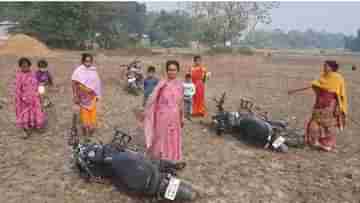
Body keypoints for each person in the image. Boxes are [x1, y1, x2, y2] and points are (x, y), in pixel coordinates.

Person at [289, 60, 347, 152]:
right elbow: (314, 85)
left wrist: (338, 107)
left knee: (328, 126)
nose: (324, 67)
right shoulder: (322, 76)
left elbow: (339, 94)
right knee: (314, 124)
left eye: (326, 66)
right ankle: (315, 142)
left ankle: (327, 145)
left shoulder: (338, 78)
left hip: (329, 106)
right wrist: (294, 90)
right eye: (324, 66)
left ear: (331, 67)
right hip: (318, 105)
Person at [143, 60, 185, 163]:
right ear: (166, 71)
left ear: (178, 71)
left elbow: (180, 102)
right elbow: (152, 99)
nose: (172, 72)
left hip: (175, 117)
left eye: (174, 70)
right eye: (170, 70)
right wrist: (145, 110)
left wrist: (182, 117)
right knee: (160, 137)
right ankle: (159, 159)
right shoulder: (161, 84)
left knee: (173, 137)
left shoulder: (180, 85)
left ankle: (171, 159)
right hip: (162, 116)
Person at [14, 57, 46, 138]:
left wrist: (41, 94)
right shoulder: (19, 76)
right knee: (25, 114)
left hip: (35, 97)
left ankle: (38, 126)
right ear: (20, 66)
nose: (25, 67)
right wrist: (22, 98)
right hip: (24, 99)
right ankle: (26, 129)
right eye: (23, 66)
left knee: (37, 111)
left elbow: (39, 85)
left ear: (29, 66)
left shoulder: (34, 74)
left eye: (27, 66)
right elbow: (17, 89)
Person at [71, 53, 101, 137]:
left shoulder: (93, 70)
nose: (88, 63)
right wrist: (75, 95)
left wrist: (98, 95)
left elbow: (97, 84)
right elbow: (74, 83)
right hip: (83, 98)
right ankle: (85, 131)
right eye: (86, 61)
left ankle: (90, 130)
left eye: (90, 61)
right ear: (83, 61)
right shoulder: (78, 71)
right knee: (84, 119)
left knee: (93, 118)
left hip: (92, 97)